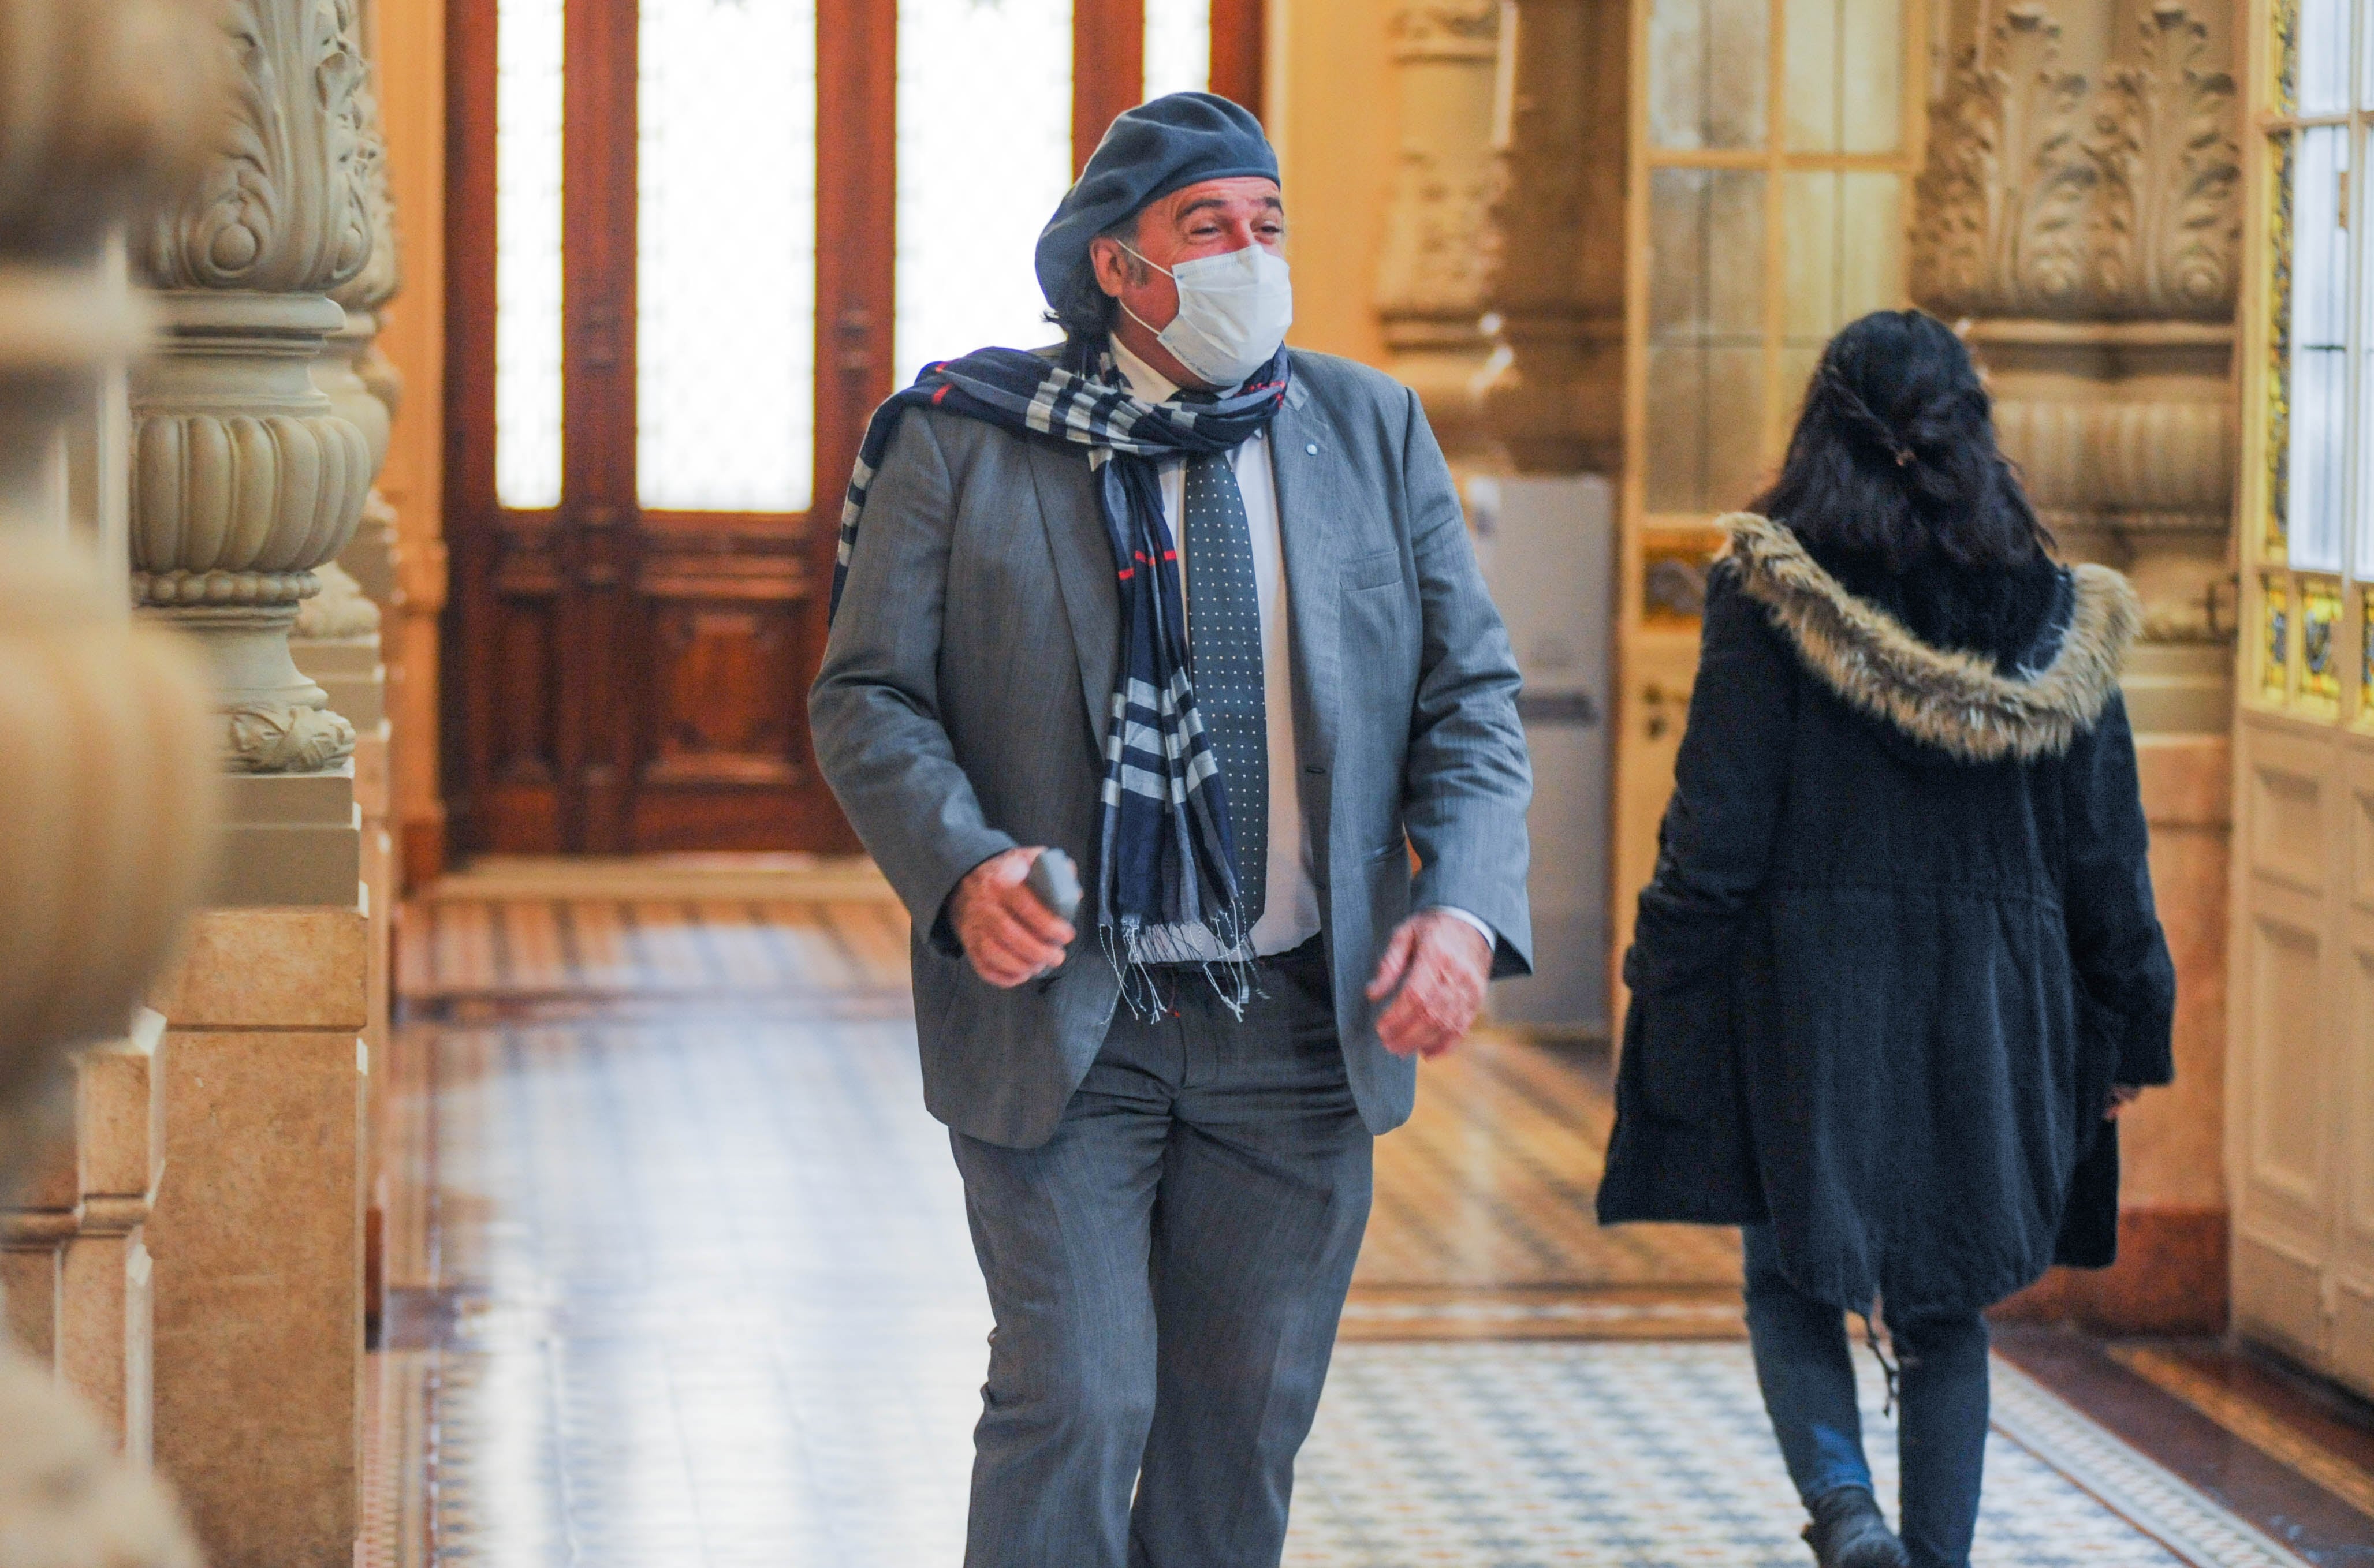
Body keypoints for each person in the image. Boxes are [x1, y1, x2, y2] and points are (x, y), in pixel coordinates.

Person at [808, 92, 1532, 1568]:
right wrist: (960, 862)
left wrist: (1457, 905)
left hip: (1296, 1025)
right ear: (1116, 270)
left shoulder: (1370, 430)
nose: (1249, 257)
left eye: (1268, 226)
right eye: (1208, 228)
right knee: (1078, 1395)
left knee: (1240, 1421)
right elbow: (868, 693)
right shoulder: (967, 440)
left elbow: (1470, 698)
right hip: (1068, 1013)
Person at [1596, 308, 2177, 1568]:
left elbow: (1718, 823)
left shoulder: (1770, 592)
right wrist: (2128, 1017)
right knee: (1944, 1302)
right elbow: (2103, 851)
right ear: (1972, 430)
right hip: (1997, 1001)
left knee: (1789, 1272)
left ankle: (1848, 1516)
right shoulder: (2058, 614)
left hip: (1811, 996)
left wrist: (1666, 975)